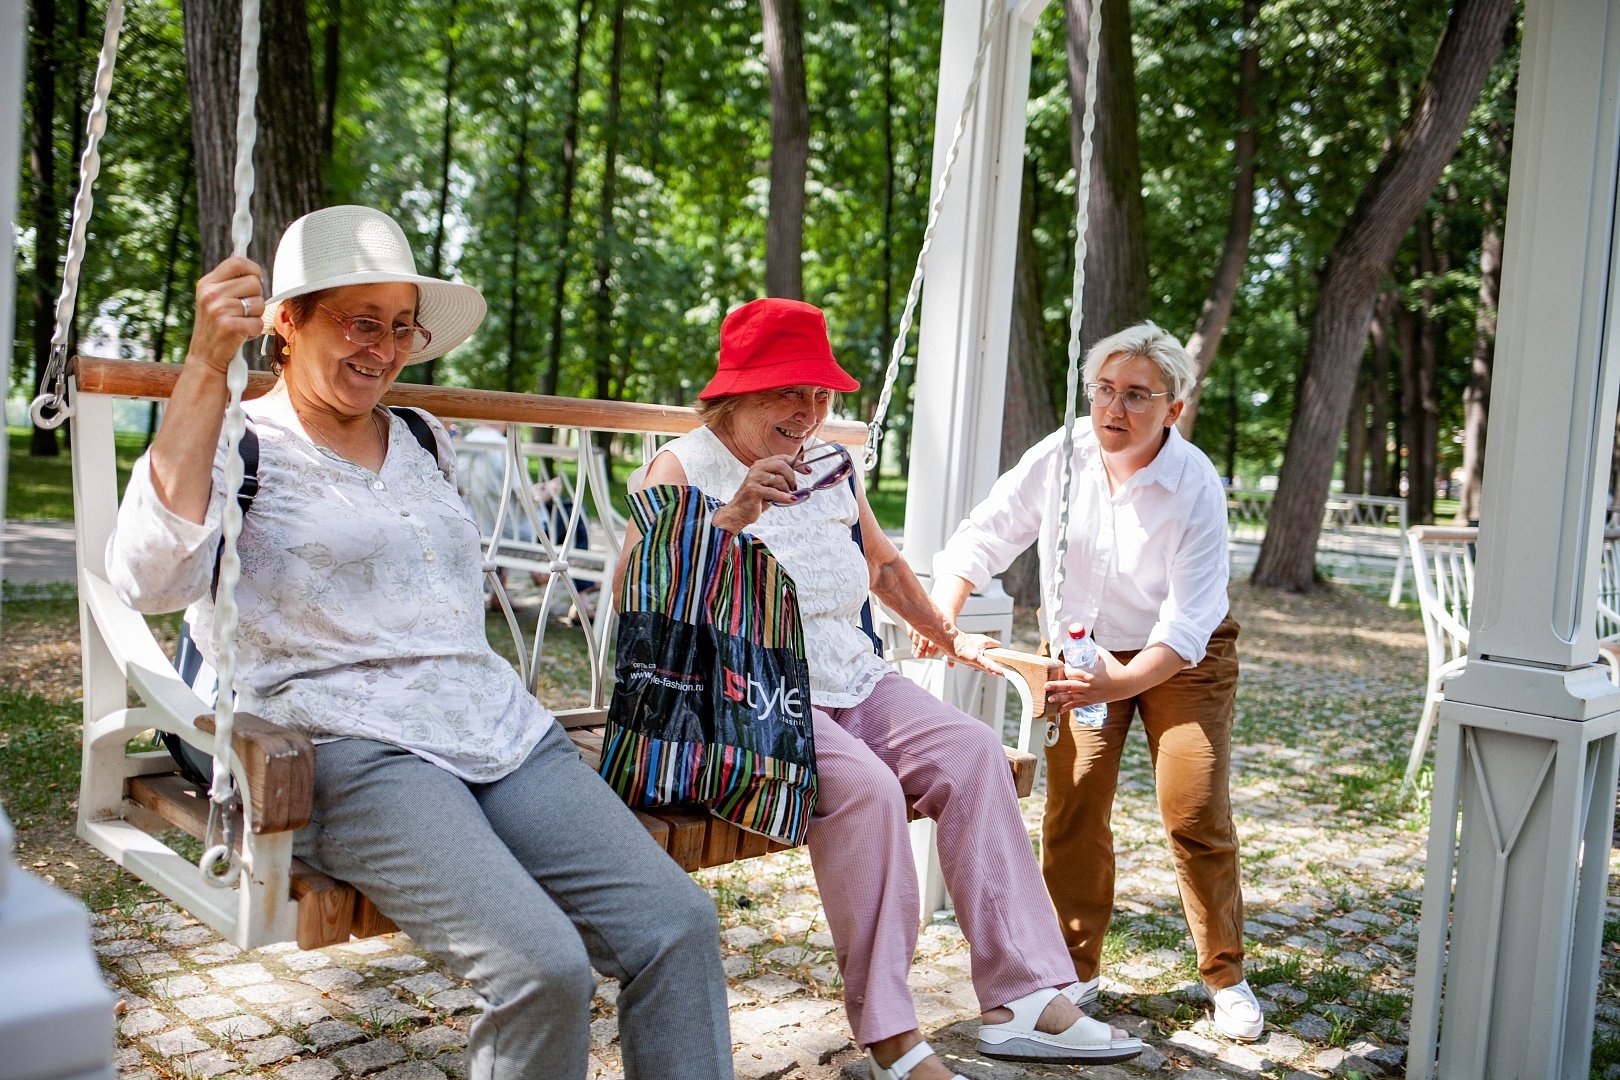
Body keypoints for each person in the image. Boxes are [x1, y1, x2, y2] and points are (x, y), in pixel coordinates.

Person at [107, 205, 734, 1080]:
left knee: (677, 926)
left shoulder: (423, 437)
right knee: (538, 969)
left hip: (494, 729)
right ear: (286, 321)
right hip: (347, 743)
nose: (385, 347)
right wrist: (206, 366)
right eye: (361, 321)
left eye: (402, 327)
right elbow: (147, 578)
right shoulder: (241, 442)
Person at [616, 298, 1143, 1080]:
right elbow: (637, 597)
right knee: (863, 788)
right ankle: (894, 1037)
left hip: (848, 676)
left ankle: (1021, 997)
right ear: (736, 391)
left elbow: (886, 566)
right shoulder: (682, 467)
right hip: (741, 695)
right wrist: (727, 519)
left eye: (822, 396)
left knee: (971, 752)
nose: (810, 412)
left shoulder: (829, 465)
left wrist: (951, 633)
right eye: (789, 393)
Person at [923, 321, 1261, 1043]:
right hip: (1080, 650)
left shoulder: (1194, 482)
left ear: (1173, 408)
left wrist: (1124, 682)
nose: (1115, 407)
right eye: (1104, 390)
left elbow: (1188, 619)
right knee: (1073, 807)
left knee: (1193, 806)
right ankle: (1071, 968)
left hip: (1184, 657)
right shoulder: (1064, 454)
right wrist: (942, 613)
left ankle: (1225, 974)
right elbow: (987, 532)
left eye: (1138, 395)